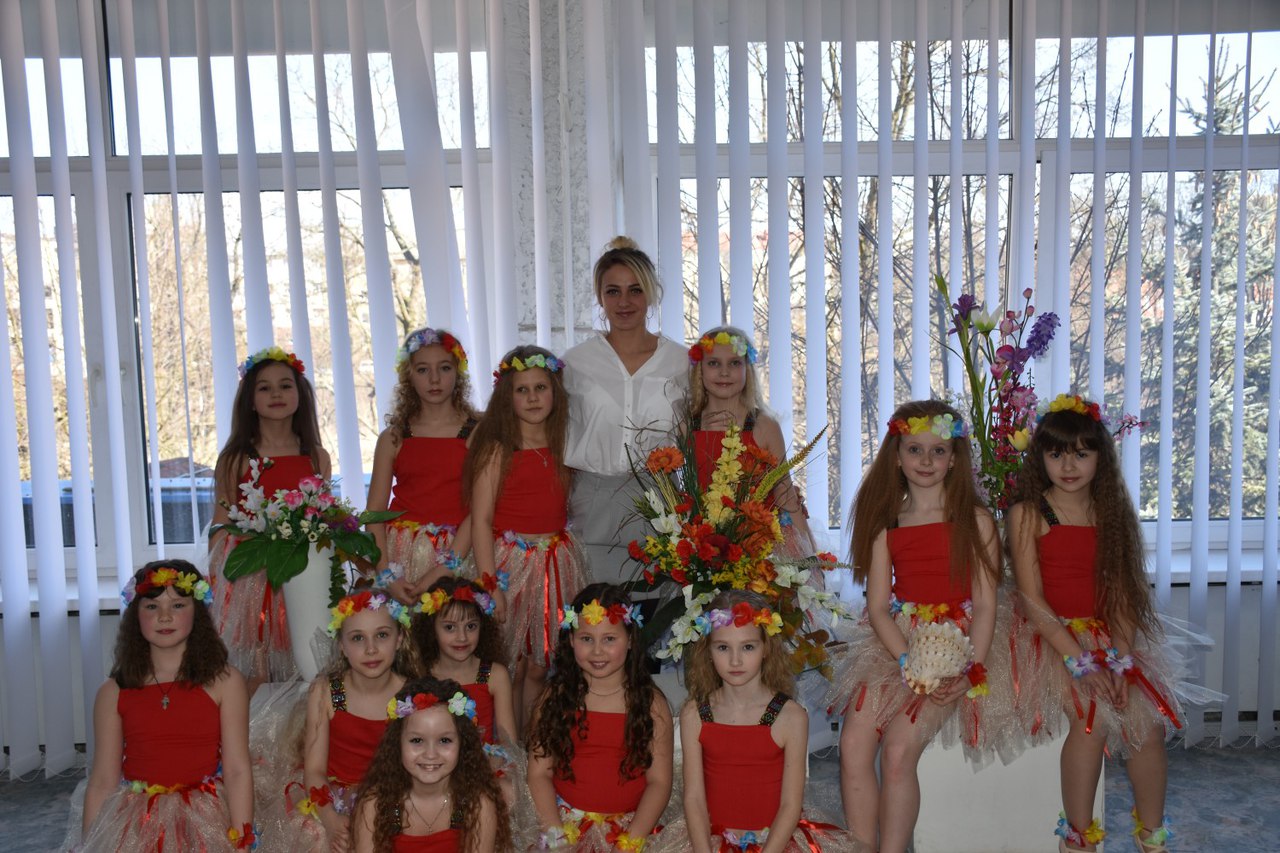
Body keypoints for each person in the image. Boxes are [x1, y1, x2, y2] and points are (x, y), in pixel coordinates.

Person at [825, 401, 1006, 853]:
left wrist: (970, 670)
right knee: (852, 744)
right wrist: (907, 659)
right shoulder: (887, 523)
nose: (926, 461)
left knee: (898, 751)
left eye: (938, 451)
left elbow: (986, 604)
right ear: (897, 455)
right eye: (914, 449)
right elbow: (878, 608)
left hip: (959, 642)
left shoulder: (976, 520)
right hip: (898, 642)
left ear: (954, 458)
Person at [1007, 395, 1181, 853]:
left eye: (1082, 454)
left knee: (1146, 727)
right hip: (1052, 636)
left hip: (1107, 635)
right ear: (1040, 457)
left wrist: (1121, 660)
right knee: (1091, 720)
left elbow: (1121, 594)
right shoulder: (1029, 514)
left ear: (1101, 458)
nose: (1069, 465)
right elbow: (1032, 599)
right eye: (1056, 454)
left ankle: (1152, 837)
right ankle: (1079, 840)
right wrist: (1081, 662)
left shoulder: (1111, 513)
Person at [72, 561, 254, 851]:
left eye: (178, 605)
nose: (165, 616)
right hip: (139, 823)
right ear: (136, 615)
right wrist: (89, 845)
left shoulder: (225, 682)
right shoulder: (113, 692)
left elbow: (237, 770)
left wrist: (243, 840)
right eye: (152, 607)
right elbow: (103, 780)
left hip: (205, 821)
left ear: (197, 612)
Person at [666, 590, 856, 853]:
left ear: (766, 647)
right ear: (707, 650)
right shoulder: (695, 714)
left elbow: (790, 805)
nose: (735, 660)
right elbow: (694, 798)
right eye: (723, 647)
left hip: (774, 844)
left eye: (748, 647)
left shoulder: (790, 717)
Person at [466, 344, 588, 733]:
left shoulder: (564, 444)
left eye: (541, 388)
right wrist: (490, 585)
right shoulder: (498, 449)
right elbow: (481, 520)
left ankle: (533, 741)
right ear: (508, 396)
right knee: (511, 663)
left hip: (555, 563)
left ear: (555, 392)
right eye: (522, 390)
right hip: (509, 565)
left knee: (540, 664)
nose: (533, 397)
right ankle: (509, 744)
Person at [563, 237, 688, 583]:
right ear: (600, 297)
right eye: (613, 291)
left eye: (635, 290)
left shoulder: (681, 362)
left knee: (659, 606)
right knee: (594, 605)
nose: (624, 302)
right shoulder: (575, 363)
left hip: (660, 499)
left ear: (651, 293)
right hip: (591, 500)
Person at [255, 591, 414, 852]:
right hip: (332, 795)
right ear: (341, 645)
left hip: (392, 795)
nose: (371, 648)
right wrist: (330, 820)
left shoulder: (413, 695)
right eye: (358, 638)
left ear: (399, 639)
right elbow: (315, 770)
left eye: (382, 635)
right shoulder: (328, 692)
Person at [209, 346, 331, 686]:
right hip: (253, 580)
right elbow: (221, 524)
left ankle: (309, 721)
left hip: (301, 573)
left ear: (300, 395)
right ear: (250, 400)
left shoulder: (316, 456)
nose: (276, 394)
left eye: (285, 385)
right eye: (264, 388)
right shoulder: (236, 458)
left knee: (307, 666)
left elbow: (324, 519)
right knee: (257, 671)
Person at [524, 584, 674, 851]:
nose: (597, 651)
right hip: (563, 824)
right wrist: (557, 839)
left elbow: (659, 782)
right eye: (586, 639)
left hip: (632, 828)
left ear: (630, 640)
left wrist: (630, 843)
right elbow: (539, 774)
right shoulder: (555, 697)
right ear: (571, 640)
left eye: (609, 639)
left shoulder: (651, 704)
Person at [367, 329, 479, 605]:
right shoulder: (393, 437)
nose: (434, 379)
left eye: (444, 368)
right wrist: (386, 575)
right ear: (408, 375)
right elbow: (374, 514)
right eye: (422, 370)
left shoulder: (478, 433)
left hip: (459, 553)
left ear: (458, 372)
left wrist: (445, 569)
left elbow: (481, 510)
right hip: (400, 556)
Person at [686, 326, 816, 559]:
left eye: (734, 363)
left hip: (762, 548)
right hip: (704, 546)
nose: (724, 372)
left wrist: (810, 557)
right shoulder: (686, 425)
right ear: (700, 370)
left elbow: (785, 493)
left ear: (747, 369)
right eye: (714, 363)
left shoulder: (764, 426)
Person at [350, 677, 511, 852]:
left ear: (463, 744)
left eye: (444, 740)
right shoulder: (375, 804)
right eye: (417, 740)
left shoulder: (477, 804)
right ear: (397, 744)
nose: (430, 754)